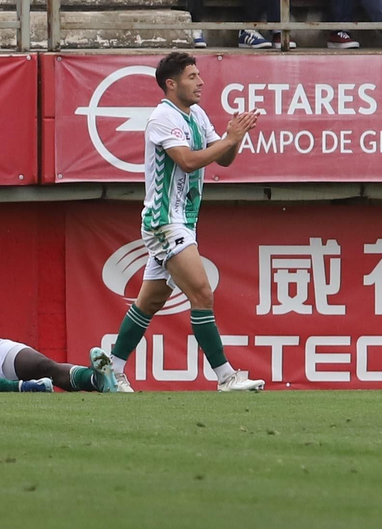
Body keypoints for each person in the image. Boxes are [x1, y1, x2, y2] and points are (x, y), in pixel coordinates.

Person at [86, 53, 264, 394]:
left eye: (199, 75)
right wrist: (228, 140)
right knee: (201, 292)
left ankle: (111, 372)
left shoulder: (195, 114)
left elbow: (222, 159)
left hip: (184, 220)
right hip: (165, 222)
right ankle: (227, 377)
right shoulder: (162, 118)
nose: (200, 82)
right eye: (192, 76)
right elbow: (186, 161)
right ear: (172, 83)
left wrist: (234, 136)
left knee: (149, 303)